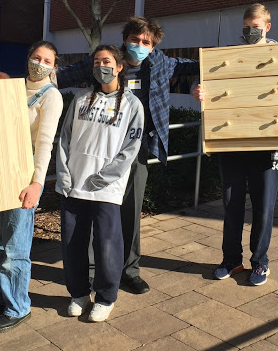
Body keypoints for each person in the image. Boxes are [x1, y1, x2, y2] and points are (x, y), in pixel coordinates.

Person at [58, 17, 199, 294]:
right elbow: (63, 75)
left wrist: (201, 83)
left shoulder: (159, 63)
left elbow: (196, 65)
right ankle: (88, 272)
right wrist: (24, 78)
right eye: (135, 40)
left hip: (136, 150)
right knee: (90, 208)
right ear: (126, 40)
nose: (139, 45)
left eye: (146, 42)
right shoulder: (105, 61)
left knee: (130, 212)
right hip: (98, 149)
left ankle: (128, 271)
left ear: (153, 46)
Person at [192, 3, 278, 286]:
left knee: (264, 207)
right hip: (232, 142)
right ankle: (231, 260)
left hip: (267, 141)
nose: (250, 31)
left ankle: (260, 262)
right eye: (246, 27)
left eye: (256, 27)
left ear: (267, 27)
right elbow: (204, 84)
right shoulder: (228, 55)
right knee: (231, 205)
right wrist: (195, 90)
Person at [56, 45, 144, 321]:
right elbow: (64, 138)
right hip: (74, 184)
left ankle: (106, 297)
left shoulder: (132, 104)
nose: (100, 66)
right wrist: (63, 173)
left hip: (106, 188)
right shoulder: (81, 99)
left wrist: (105, 177)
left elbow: (131, 148)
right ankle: (79, 293)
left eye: (106, 61)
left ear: (119, 66)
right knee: (73, 243)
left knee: (107, 244)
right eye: (96, 61)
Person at [0, 41, 63, 331]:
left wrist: (36, 183)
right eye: (35, 57)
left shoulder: (51, 97)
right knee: (0, 243)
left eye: (46, 60)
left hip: (24, 172)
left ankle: (18, 307)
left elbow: (44, 144)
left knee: (16, 247)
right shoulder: (14, 88)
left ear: (54, 68)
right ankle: (2, 298)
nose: (39, 63)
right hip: (2, 169)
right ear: (28, 58)